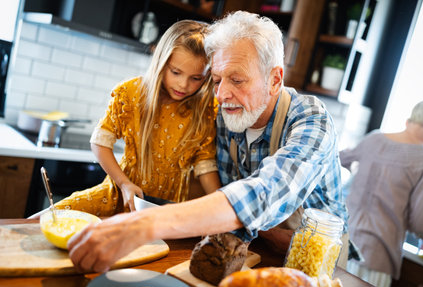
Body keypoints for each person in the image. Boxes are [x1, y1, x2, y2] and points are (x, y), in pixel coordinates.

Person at [67, 11, 348, 273]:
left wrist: (144, 224)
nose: (222, 94)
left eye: (237, 80)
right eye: (215, 80)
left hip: (313, 258)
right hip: (255, 246)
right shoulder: (226, 115)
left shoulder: (311, 120)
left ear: (274, 80)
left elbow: (266, 191)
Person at [47, 20, 221, 216]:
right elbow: (100, 143)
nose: (183, 84)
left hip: (166, 210)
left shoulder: (206, 110)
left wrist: (219, 207)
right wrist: (124, 184)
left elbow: (205, 166)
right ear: (160, 61)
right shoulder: (131, 93)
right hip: (118, 195)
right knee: (46, 219)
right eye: (175, 72)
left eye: (196, 78)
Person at [340, 99, 423, 287]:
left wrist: (357, 170)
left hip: (342, 242)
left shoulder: (375, 139)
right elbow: (421, 219)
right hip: (377, 254)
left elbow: (341, 158)